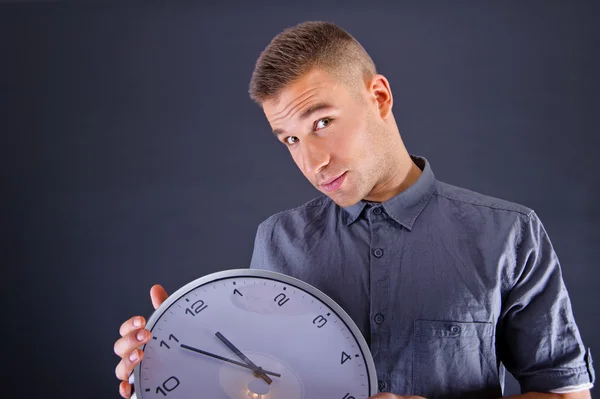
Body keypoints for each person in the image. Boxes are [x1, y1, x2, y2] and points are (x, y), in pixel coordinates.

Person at [113, 21, 595, 399]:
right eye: (291, 140)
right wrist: (170, 360)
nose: (312, 162)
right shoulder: (277, 239)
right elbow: (258, 384)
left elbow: (566, 395)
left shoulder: (508, 233)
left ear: (379, 96)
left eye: (322, 121)